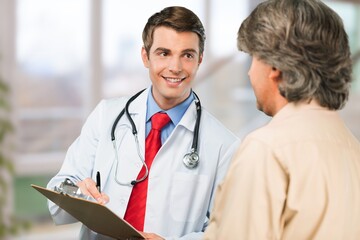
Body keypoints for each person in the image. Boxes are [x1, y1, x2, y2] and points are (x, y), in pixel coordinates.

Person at [47, 6, 238, 240]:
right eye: (164, 53)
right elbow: (58, 191)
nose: (175, 67)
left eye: (187, 55)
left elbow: (227, 231)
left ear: (199, 59)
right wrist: (78, 192)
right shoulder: (106, 116)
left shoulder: (224, 145)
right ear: (145, 57)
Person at [203, 0, 360, 239]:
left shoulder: (267, 149)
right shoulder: (352, 148)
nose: (248, 71)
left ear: (275, 66)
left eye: (253, 57)